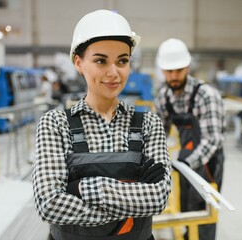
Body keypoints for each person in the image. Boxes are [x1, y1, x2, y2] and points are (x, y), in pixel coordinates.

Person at [32, 9, 171, 240]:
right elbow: (49, 203)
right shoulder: (55, 124)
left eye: (122, 61)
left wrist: (79, 188)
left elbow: (158, 198)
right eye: (100, 60)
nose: (113, 72)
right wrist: (132, 197)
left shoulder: (149, 124)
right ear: (79, 62)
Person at [154, 38, 225, 240]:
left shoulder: (206, 95)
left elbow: (213, 140)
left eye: (178, 70)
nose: (174, 76)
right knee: (185, 204)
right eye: (169, 71)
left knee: (205, 210)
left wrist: (188, 163)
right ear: (162, 70)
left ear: (187, 67)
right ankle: (187, 235)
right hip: (186, 156)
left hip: (209, 161)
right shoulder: (163, 97)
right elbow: (159, 133)